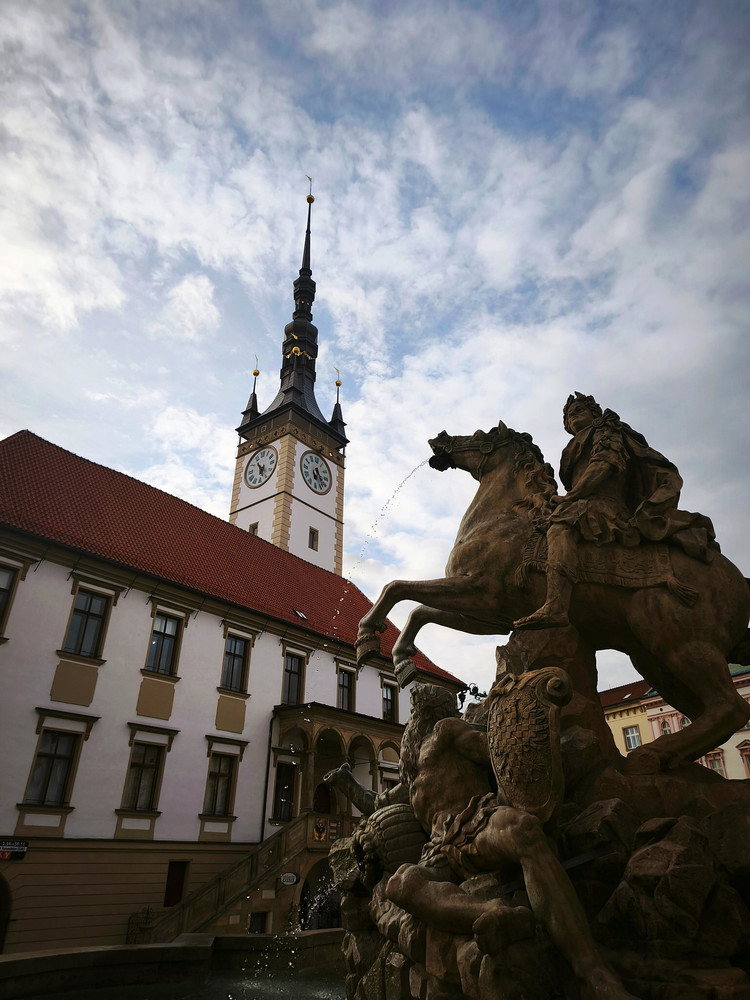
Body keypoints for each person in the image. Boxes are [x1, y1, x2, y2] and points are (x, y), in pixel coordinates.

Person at [384, 684, 635, 1000]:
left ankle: (591, 972)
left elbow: (498, 751)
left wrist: (510, 713)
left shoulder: (445, 731)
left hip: (474, 822)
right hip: (437, 850)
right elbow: (378, 803)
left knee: (521, 830)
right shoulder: (409, 775)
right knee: (401, 884)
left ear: (425, 714)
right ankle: (494, 912)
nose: (410, 720)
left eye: (415, 710)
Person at [514, 392, 716, 631]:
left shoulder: (606, 427)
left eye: (580, 409)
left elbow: (604, 465)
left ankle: (555, 607)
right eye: (569, 414)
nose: (573, 414)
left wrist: (571, 497)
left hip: (604, 505)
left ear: (594, 413)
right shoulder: (572, 446)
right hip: (581, 501)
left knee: (560, 527)